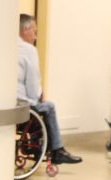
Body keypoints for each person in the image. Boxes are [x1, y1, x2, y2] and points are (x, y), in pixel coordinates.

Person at [18, 14, 82, 165]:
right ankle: (58, 150)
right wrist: (39, 95)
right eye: (34, 32)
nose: (35, 37)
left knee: (39, 108)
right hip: (20, 105)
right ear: (25, 30)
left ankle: (38, 147)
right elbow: (33, 85)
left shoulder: (6, 45)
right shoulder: (28, 49)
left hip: (6, 104)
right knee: (48, 107)